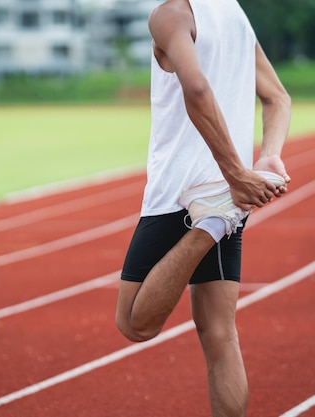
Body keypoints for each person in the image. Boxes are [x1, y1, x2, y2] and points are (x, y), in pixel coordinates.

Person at [115, 0, 291, 416]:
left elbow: (196, 88)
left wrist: (234, 175)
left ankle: (210, 224)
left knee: (134, 322)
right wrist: (267, 157)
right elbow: (277, 97)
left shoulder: (170, 14)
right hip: (229, 194)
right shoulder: (234, 15)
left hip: (181, 192)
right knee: (220, 335)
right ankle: (217, 217)